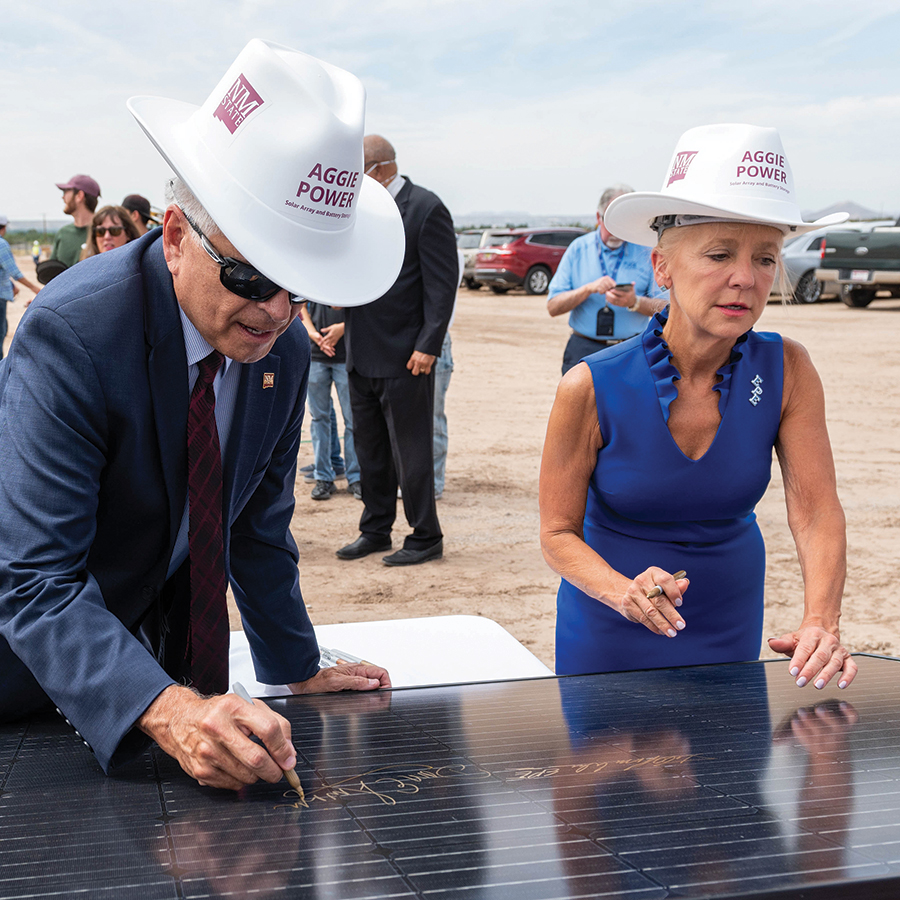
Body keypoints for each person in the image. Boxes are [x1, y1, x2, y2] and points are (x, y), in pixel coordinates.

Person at [0, 40, 404, 791]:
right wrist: (167, 708)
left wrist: (293, 665)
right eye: (252, 275)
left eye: (304, 286)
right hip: (31, 680)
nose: (280, 312)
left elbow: (252, 528)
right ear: (178, 234)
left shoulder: (277, 348)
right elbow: (35, 580)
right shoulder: (73, 335)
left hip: (156, 672)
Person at [539, 123, 857, 692]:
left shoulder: (789, 370)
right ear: (662, 267)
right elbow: (557, 533)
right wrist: (624, 592)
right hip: (609, 632)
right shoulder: (588, 386)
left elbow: (815, 513)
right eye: (718, 254)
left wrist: (820, 620)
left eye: (766, 259)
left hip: (728, 633)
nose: (745, 279)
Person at [338, 134, 458, 567]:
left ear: (381, 167)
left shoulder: (425, 208)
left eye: (358, 169)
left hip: (407, 356)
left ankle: (426, 535)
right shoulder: (363, 211)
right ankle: (375, 529)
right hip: (361, 351)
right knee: (369, 449)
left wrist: (429, 344)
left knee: (411, 452)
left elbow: (442, 287)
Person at [548, 185, 670, 376]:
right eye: (610, 221)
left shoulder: (647, 252)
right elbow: (553, 307)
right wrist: (587, 289)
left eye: (622, 221)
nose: (616, 229)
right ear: (598, 218)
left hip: (633, 350)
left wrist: (635, 302)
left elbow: (668, 309)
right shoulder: (578, 249)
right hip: (584, 349)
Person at [298, 300, 361, 501]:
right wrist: (312, 334)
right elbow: (300, 303)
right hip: (316, 354)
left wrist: (342, 329)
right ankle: (323, 477)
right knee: (319, 419)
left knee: (353, 421)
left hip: (347, 355)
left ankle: (355, 478)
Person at [0, 215, 41, 358]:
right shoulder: (1, 244)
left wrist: (11, 286)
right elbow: (14, 272)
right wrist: (35, 288)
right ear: (4, 228)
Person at [50, 174, 101, 268]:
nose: (63, 197)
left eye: (65, 192)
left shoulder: (103, 234)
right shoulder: (63, 233)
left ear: (79, 196)